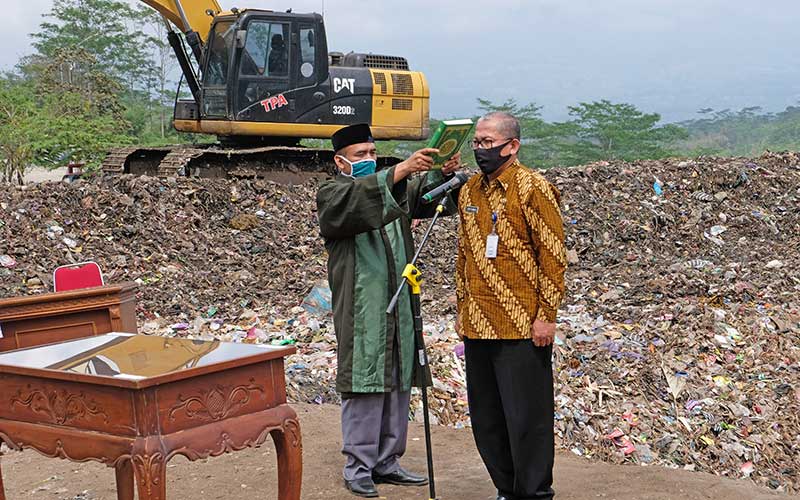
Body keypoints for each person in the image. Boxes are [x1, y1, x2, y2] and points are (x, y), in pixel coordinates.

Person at [316, 123, 462, 498]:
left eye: (371, 152)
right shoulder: (332, 194)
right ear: (340, 161)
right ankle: (359, 465)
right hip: (362, 308)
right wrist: (400, 170)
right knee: (365, 382)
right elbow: (357, 205)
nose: (368, 159)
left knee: (398, 378)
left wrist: (441, 174)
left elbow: (426, 199)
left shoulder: (393, 187)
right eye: (359, 155)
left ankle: (387, 460)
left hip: (399, 303)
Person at [455, 112, 567, 500]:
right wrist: (461, 308)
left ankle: (534, 492)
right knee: (487, 418)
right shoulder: (469, 191)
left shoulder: (533, 188)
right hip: (477, 323)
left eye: (488, 142)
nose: (481, 149)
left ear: (512, 146)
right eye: (477, 142)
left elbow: (552, 256)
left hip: (522, 325)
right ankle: (506, 488)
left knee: (527, 419)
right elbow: (464, 255)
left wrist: (546, 317)